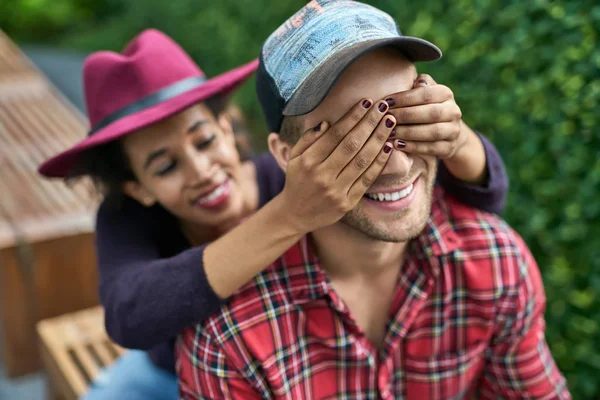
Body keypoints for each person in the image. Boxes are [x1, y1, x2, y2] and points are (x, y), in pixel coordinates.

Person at [38, 25, 508, 400]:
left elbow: (474, 200)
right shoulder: (130, 219)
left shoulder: (296, 174)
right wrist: (290, 214)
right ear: (136, 187)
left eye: (205, 141)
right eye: (165, 167)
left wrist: (456, 138)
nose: (202, 170)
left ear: (227, 127)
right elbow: (128, 317)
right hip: (164, 374)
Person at [176, 1, 570, 399]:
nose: (396, 164)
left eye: (407, 117)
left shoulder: (495, 263)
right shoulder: (228, 337)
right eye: (349, 139)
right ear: (283, 154)